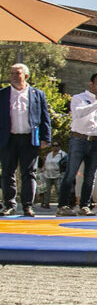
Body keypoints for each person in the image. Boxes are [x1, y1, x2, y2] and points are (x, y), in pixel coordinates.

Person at [1, 63, 52, 217]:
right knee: (8, 172)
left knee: (29, 173)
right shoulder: (3, 94)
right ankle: (9, 204)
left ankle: (28, 206)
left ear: (26, 76)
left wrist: (45, 138)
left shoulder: (37, 94)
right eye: (12, 73)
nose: (14, 76)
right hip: (8, 139)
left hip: (29, 138)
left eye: (17, 73)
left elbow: (45, 118)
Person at [57, 72, 97, 216]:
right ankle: (62, 206)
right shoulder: (79, 98)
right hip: (78, 139)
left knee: (90, 176)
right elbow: (78, 113)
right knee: (71, 173)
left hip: (95, 141)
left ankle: (84, 205)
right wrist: (96, 105)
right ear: (91, 84)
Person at [38, 143, 66, 209]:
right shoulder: (49, 154)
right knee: (46, 190)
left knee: (59, 190)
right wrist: (43, 168)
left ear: (59, 146)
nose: (54, 147)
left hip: (58, 174)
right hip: (47, 174)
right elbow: (46, 162)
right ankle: (46, 204)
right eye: (53, 146)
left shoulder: (63, 154)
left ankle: (61, 204)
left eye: (56, 146)